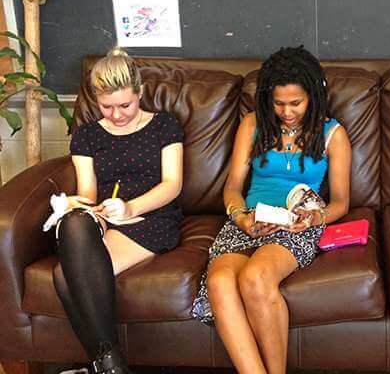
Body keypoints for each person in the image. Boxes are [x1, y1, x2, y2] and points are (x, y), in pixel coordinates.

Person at [191, 46, 352, 374]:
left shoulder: (332, 134)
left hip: (297, 226)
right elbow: (233, 187)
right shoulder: (253, 125)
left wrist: (314, 218)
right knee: (220, 282)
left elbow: (341, 203)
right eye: (278, 103)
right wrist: (241, 218)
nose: (287, 112)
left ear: (313, 96)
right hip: (248, 222)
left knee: (256, 276)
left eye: (296, 103)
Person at [53, 48, 184, 374]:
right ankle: (112, 365)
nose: (118, 115)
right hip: (105, 215)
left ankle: (107, 366)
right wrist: (76, 203)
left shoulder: (164, 125)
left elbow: (173, 184)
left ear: (139, 92)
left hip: (151, 217)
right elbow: (87, 191)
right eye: (107, 107)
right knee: (73, 221)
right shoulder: (86, 135)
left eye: (125, 105)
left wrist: (130, 207)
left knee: (63, 277)